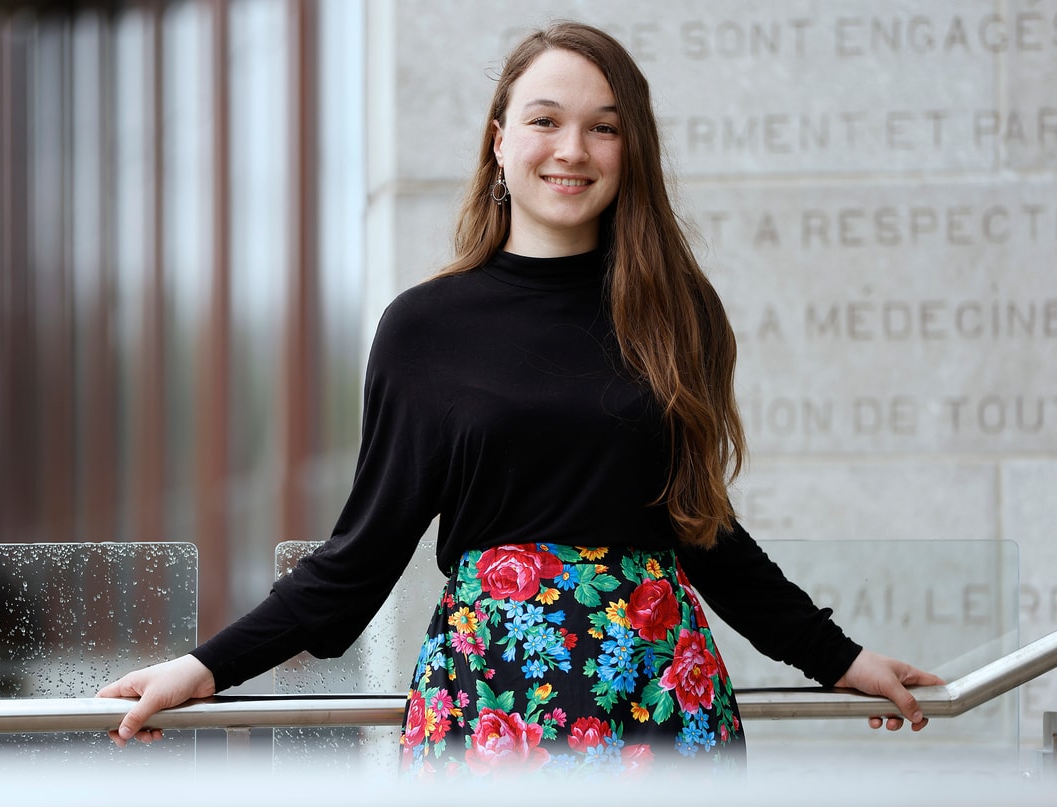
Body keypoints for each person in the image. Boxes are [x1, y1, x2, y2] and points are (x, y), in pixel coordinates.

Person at [99, 20, 943, 776]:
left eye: (603, 127)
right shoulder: (423, 328)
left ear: (630, 149)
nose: (571, 148)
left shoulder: (677, 313)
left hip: (658, 705)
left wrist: (839, 656)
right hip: (490, 706)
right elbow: (357, 561)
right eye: (545, 120)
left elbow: (704, 532)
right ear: (500, 142)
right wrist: (204, 667)